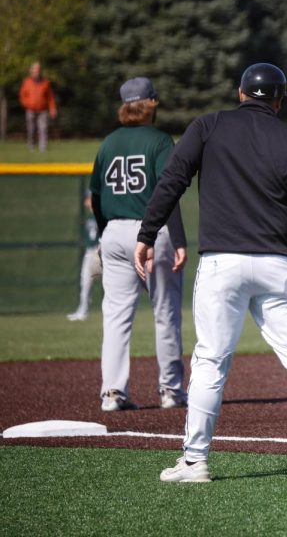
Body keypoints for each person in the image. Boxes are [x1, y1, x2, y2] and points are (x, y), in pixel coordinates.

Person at [134, 63, 287, 483]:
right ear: (279, 101)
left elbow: (171, 181)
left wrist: (148, 233)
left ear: (240, 92)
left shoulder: (208, 126)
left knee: (211, 360)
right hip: (278, 267)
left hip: (222, 264)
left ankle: (195, 461)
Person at [90, 77, 188, 412]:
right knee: (165, 311)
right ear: (151, 104)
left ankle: (113, 393)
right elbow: (169, 189)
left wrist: (106, 236)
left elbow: (98, 197)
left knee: (116, 316)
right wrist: (179, 238)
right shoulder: (159, 140)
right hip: (152, 232)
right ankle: (171, 390)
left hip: (114, 231)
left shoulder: (108, 143)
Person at [67, 191, 102, 321]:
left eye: (88, 198)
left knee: (109, 283)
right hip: (90, 253)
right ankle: (82, 311)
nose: (86, 201)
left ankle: (108, 311)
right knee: (85, 282)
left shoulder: (102, 213)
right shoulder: (88, 217)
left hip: (101, 252)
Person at [18, 61, 58, 152]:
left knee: (43, 129)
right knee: (31, 129)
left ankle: (43, 148)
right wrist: (27, 104)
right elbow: (22, 96)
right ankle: (31, 146)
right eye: (35, 70)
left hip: (43, 110)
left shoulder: (46, 83)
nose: (37, 71)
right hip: (30, 110)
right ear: (31, 71)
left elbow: (50, 97)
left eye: (38, 70)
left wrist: (52, 109)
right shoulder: (27, 82)